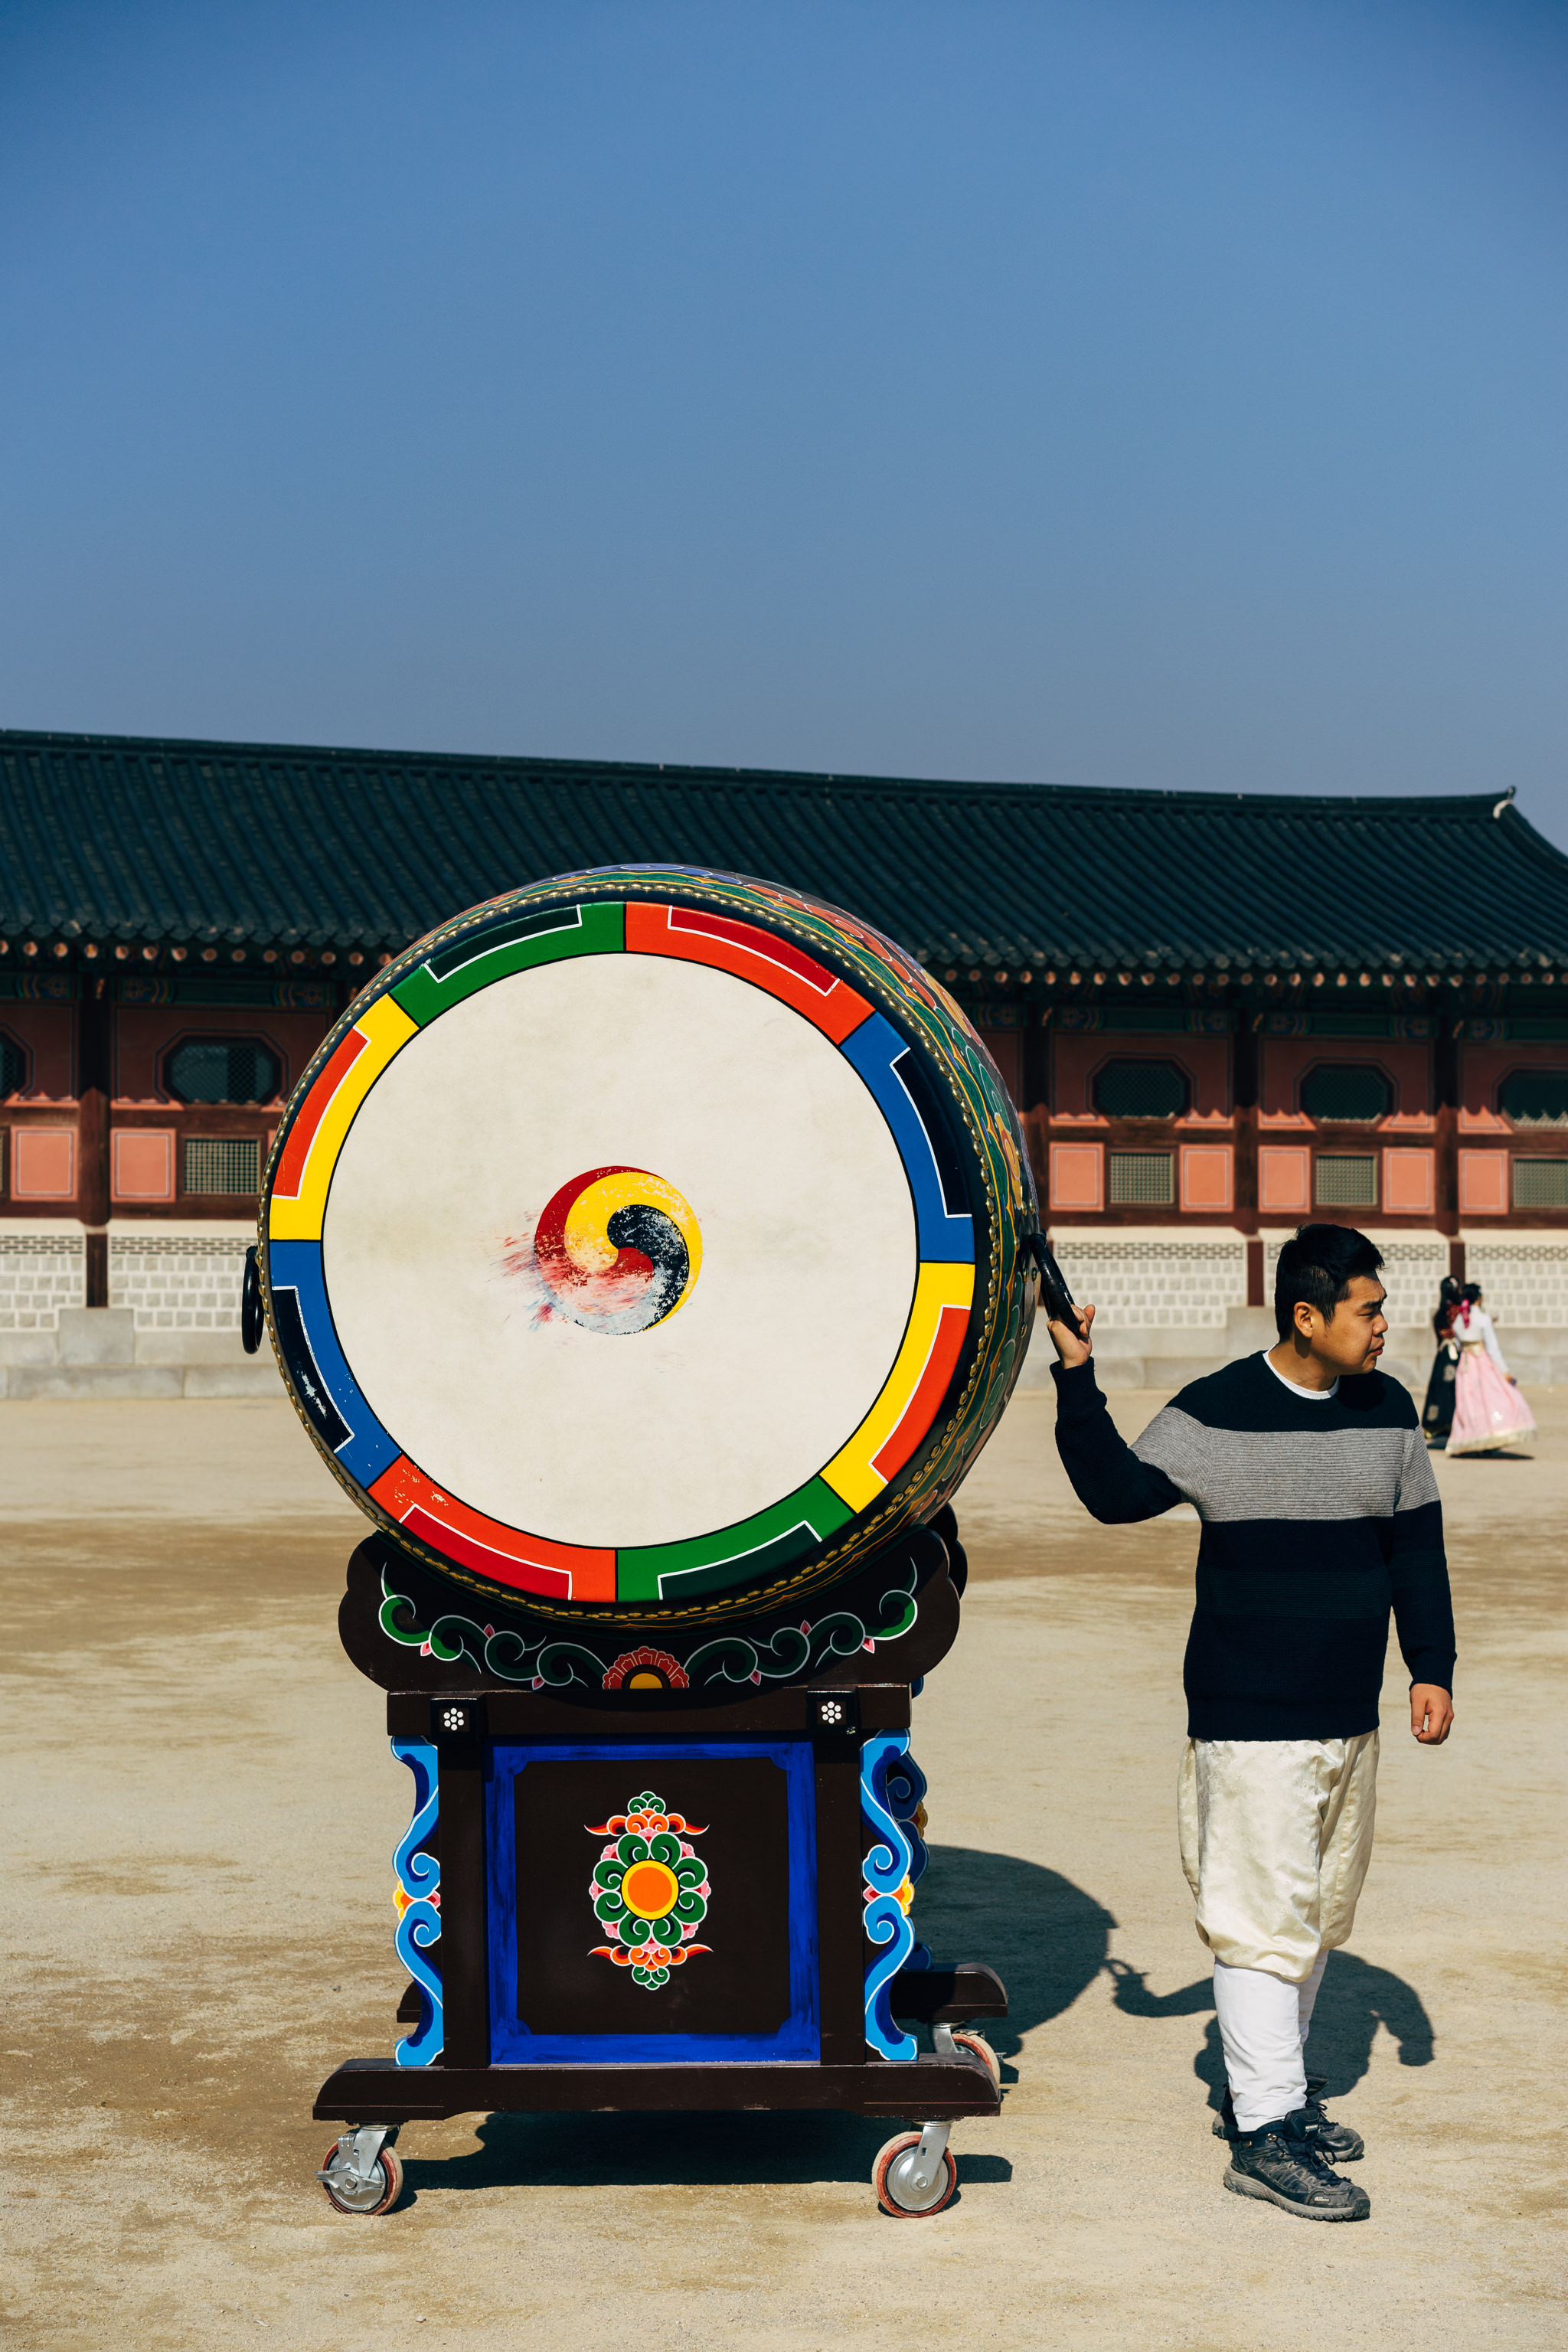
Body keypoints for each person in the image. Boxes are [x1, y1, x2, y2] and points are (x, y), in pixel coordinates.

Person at [1046, 1222, 1455, 2223]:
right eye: (1367, 1309)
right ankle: (1263, 2132)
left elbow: (1417, 1548)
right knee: (1261, 1921)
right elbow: (1114, 1495)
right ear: (1307, 1316)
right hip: (1250, 1716)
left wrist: (1430, 1667)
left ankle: (1267, 2092)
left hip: (1346, 1713)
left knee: (1314, 1913)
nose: (1382, 1326)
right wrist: (1076, 1375)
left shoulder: (1389, 1407)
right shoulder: (1216, 1411)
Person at [1446, 1282, 1536, 1457]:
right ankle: (1489, 1438)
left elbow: (1458, 1345)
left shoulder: (1459, 1320)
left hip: (1465, 1364)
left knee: (1469, 1403)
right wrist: (1504, 1371)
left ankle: (1473, 1439)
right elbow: (1493, 1348)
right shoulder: (1483, 1319)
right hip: (1481, 1362)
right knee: (1489, 1399)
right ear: (1479, 1298)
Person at [1421, 1275, 1462, 1448]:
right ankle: (1451, 1422)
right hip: (1453, 1353)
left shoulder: (1439, 1312)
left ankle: (1437, 1423)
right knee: (1452, 1388)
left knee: (1440, 1388)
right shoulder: (1454, 1311)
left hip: (1442, 1353)